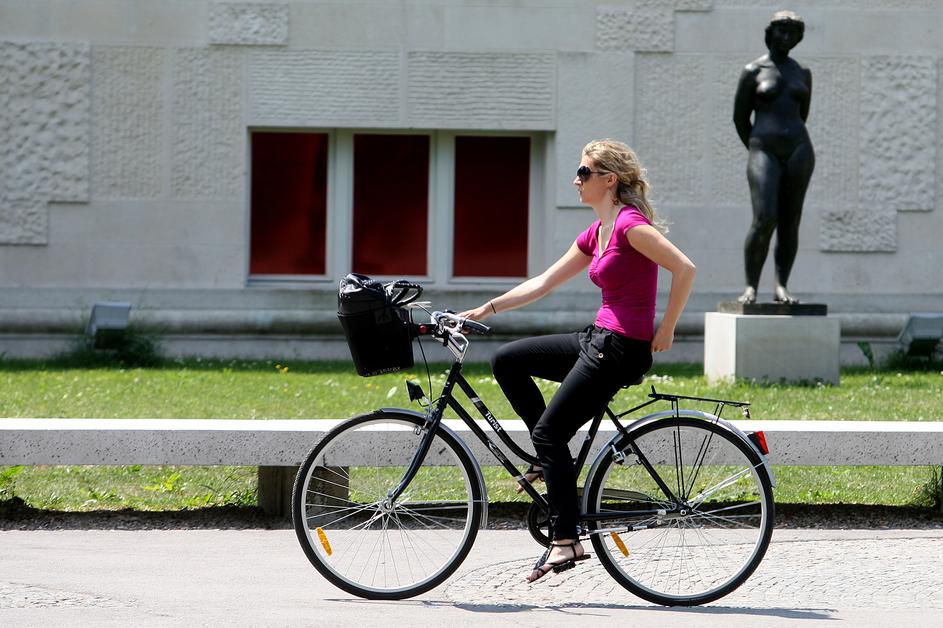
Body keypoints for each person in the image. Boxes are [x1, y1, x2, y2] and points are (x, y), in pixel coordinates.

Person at [459, 139, 696, 583]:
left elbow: (685, 268)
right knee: (507, 360)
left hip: (620, 348)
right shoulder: (597, 232)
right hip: (598, 338)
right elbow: (545, 282)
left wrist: (666, 329)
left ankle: (566, 539)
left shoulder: (630, 226)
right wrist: (486, 309)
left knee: (550, 433)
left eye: (584, 172)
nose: (576, 180)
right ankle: (546, 460)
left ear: (609, 179)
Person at [732, 10, 814, 305]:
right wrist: (758, 146)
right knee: (765, 217)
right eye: (781, 30)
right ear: (770, 33)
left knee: (790, 220)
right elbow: (740, 118)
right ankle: (750, 286)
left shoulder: (802, 72)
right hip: (763, 148)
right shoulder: (753, 70)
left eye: (792, 32)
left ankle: (782, 285)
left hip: (799, 149)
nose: (785, 37)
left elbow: (802, 114)